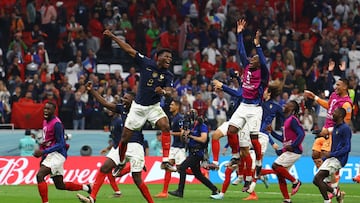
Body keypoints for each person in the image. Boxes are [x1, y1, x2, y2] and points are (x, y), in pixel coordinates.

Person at [103, 29, 174, 171]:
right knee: (125, 138)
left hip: (153, 107)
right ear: (158, 57)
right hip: (138, 107)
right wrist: (113, 37)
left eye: (171, 58)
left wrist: (164, 92)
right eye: (166, 57)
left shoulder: (168, 75)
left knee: (165, 126)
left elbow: (171, 92)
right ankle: (121, 161)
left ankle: (165, 161)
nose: (169, 60)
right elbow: (129, 50)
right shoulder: (146, 63)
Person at [77, 83, 153, 203]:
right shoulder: (122, 108)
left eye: (126, 98)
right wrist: (92, 90)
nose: (123, 100)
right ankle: (92, 198)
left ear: (133, 101)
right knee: (104, 168)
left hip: (136, 146)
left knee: (137, 179)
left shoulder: (140, 110)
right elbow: (105, 103)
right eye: (124, 97)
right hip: (122, 145)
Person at [226, 19, 269, 179]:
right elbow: (241, 51)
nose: (252, 60)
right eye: (252, 58)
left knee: (253, 138)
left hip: (255, 108)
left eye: (255, 59)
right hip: (243, 105)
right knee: (231, 130)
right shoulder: (247, 66)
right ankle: (236, 155)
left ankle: (258, 163)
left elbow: (263, 62)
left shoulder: (263, 74)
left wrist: (258, 45)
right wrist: (239, 34)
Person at [33, 101, 91, 203]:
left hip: (58, 154)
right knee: (60, 185)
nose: (45, 111)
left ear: (54, 111)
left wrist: (43, 152)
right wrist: (43, 151)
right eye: (45, 108)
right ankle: (87, 188)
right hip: (50, 154)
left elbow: (61, 143)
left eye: (48, 109)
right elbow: (48, 140)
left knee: (40, 175)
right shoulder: (45, 121)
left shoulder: (57, 124)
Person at [304, 61, 352, 169]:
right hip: (325, 129)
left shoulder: (346, 103)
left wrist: (329, 130)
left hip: (333, 133)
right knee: (315, 154)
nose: (336, 87)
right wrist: (315, 97)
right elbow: (329, 106)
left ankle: (331, 182)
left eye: (338, 85)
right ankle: (328, 180)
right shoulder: (334, 95)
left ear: (345, 87)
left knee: (326, 158)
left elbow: (346, 123)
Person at [169, 109, 219, 198]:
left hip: (198, 152)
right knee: (198, 174)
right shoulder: (191, 127)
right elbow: (184, 140)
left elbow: (203, 139)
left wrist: (191, 135)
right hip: (192, 152)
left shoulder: (202, 126)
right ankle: (215, 190)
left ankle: (180, 191)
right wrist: (184, 134)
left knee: (182, 168)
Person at [269, 100, 304, 203]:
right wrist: (272, 133)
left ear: (292, 108)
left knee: (275, 166)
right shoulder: (287, 120)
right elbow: (283, 139)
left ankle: (295, 181)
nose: (285, 105)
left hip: (294, 151)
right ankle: (287, 200)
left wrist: (293, 146)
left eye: (288, 104)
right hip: (289, 151)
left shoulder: (293, 119)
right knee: (280, 175)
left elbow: (301, 134)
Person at [313, 107, 350, 203]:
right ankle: (336, 192)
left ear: (341, 115)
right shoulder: (335, 128)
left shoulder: (345, 128)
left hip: (339, 159)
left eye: (335, 112)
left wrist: (331, 154)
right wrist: (325, 158)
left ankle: (327, 201)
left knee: (318, 178)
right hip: (332, 158)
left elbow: (347, 148)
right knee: (316, 181)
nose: (333, 114)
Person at [155, 100, 185, 198]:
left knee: (181, 169)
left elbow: (182, 133)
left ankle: (202, 172)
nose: (170, 106)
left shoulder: (180, 118)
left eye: (172, 105)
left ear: (177, 106)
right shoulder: (173, 117)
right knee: (168, 167)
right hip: (174, 146)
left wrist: (170, 133)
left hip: (180, 148)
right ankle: (164, 192)